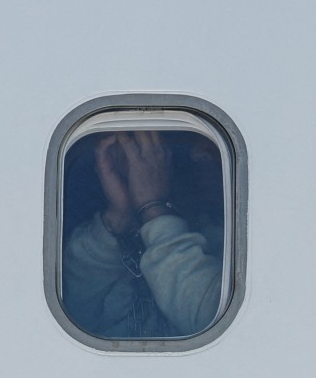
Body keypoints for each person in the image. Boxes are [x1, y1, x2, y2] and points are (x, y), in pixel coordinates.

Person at [62, 131, 224, 338]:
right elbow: (80, 309)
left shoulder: (253, 244)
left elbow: (210, 320)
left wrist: (153, 208)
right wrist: (120, 215)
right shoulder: (141, 235)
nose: (196, 154)